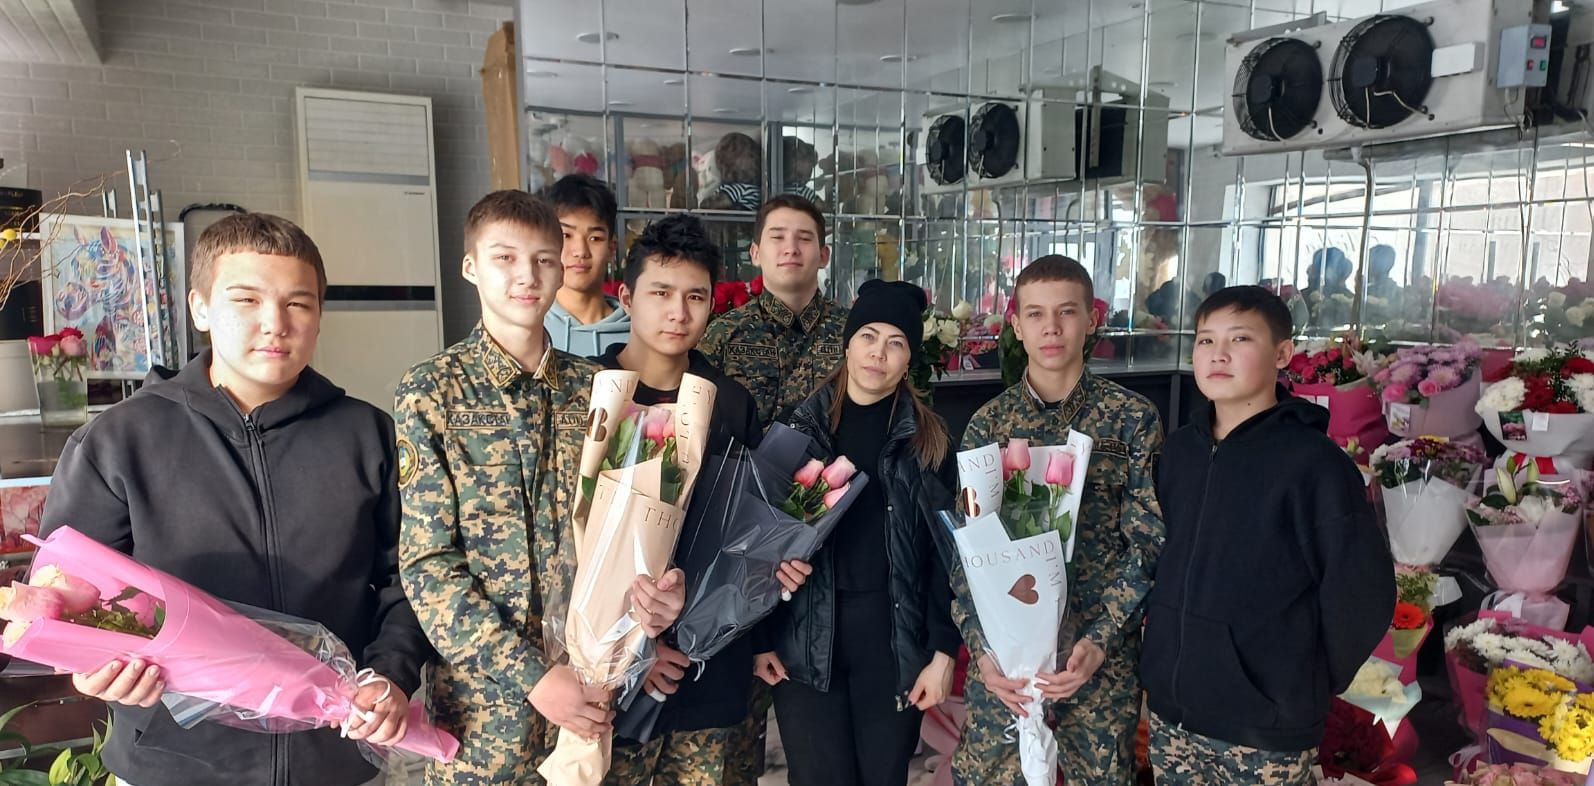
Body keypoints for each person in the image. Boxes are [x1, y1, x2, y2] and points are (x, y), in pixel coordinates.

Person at [42, 212, 432, 786]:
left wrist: (390, 673)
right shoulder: (119, 441)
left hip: (334, 757)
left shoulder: (368, 435)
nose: (275, 323)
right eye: (246, 300)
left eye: (298, 303)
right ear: (200, 308)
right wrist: (91, 668)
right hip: (173, 765)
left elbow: (412, 578)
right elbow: (65, 596)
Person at [396, 190, 685, 784]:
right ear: (471, 266)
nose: (527, 275)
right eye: (505, 257)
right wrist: (534, 677)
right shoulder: (433, 391)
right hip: (484, 718)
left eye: (544, 259)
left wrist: (659, 594)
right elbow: (427, 566)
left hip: (596, 699)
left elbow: (630, 529)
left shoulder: (601, 390)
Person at [1141, 285, 1394, 785]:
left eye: (1239, 339)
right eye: (1206, 341)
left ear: (1282, 353)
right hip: (1174, 715)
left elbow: (1361, 594)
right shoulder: (1179, 453)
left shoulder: (1315, 466)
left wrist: (1300, 679)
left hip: (1264, 730)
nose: (1218, 354)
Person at [594, 214, 807, 786]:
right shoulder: (593, 395)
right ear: (626, 298)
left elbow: (745, 531)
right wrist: (637, 649)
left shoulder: (729, 403)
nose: (678, 313)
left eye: (695, 297)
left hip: (708, 661)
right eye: (660, 293)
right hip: (610, 669)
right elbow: (571, 545)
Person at [952, 255, 1165, 786]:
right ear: (1016, 325)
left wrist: (1100, 638)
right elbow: (966, 554)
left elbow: (1147, 544)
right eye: (1036, 314)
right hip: (1008, 663)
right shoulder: (989, 425)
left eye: (1067, 312)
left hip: (1096, 660)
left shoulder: (1131, 419)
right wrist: (983, 652)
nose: (1051, 327)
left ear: (1092, 320)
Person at [756, 279, 960, 786]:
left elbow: (948, 559)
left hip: (893, 643)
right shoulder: (798, 430)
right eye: (868, 336)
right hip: (804, 640)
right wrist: (760, 639)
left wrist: (942, 653)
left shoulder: (929, 443)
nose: (878, 353)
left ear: (909, 360)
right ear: (847, 344)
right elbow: (757, 543)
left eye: (896, 343)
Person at [699, 194, 850, 786]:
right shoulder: (721, 337)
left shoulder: (853, 334)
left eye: (805, 238)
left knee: (820, 733)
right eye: (778, 237)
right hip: (737, 549)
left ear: (824, 254)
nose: (792, 248)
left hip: (829, 547)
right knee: (734, 734)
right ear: (756, 251)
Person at [542, 174, 631, 355]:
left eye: (595, 238)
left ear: (611, 249)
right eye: (566, 235)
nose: (581, 251)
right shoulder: (530, 324)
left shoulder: (639, 332)